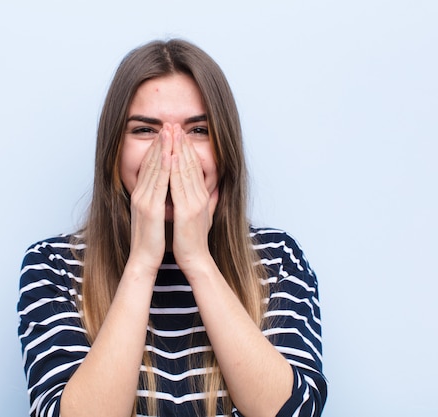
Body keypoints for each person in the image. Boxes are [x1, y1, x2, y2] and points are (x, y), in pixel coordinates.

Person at [17, 39, 327, 417]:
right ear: (114, 152)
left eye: (198, 130)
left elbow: (296, 412)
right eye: (146, 130)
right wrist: (142, 262)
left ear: (225, 149)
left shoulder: (279, 260)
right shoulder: (53, 267)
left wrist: (197, 259)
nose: (171, 152)